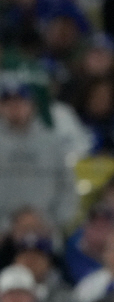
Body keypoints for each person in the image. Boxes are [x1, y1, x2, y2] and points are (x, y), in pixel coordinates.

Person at [0, 82, 77, 229]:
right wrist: (6, 226)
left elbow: (67, 187)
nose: (15, 108)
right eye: (8, 103)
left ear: (33, 105)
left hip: (46, 230)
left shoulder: (52, 143)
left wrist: (51, 223)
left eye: (21, 102)